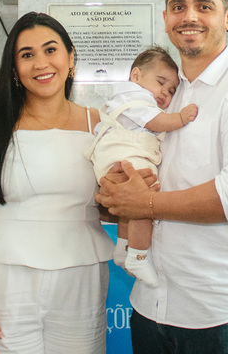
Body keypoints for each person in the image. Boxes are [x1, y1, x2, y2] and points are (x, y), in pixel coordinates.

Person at [96, 0, 228, 353]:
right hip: (150, 305)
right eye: (178, 7)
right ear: (166, 19)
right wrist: (113, 192)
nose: (189, 16)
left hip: (222, 312)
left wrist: (145, 203)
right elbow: (137, 186)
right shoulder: (162, 97)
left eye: (204, 6)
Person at [0, 12, 110, 354]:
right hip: (1, 282)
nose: (41, 63)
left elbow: (113, 203)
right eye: (27, 54)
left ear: (71, 57)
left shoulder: (98, 124)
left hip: (80, 281)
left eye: (50, 50)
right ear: (14, 68)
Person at [86, 45, 197, 288]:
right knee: (143, 205)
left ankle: (123, 247)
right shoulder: (135, 98)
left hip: (116, 160)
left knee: (129, 208)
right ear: (136, 76)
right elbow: (156, 122)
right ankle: (138, 256)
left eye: (171, 90)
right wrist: (180, 117)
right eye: (160, 82)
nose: (165, 93)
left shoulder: (120, 99)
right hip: (127, 157)